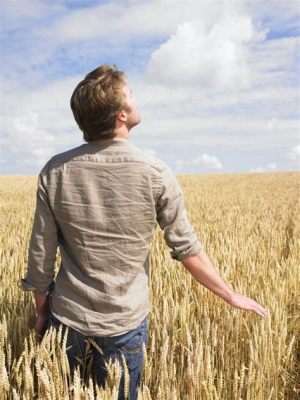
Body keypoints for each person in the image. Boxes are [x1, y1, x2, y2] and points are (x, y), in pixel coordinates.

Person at [20, 64, 268, 399]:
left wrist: (41, 311)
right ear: (122, 115)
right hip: (125, 322)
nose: (137, 99)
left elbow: (41, 252)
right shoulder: (156, 172)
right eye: (132, 95)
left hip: (68, 318)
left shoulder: (55, 171)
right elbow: (187, 249)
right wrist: (229, 294)